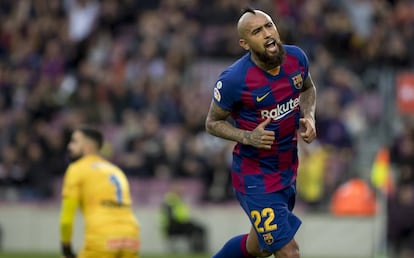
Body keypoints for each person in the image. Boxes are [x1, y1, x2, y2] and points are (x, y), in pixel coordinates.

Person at [205, 8, 317, 258]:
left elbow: (308, 89)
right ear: (245, 43)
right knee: (289, 252)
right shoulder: (234, 80)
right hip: (255, 176)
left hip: (287, 171)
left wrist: (308, 115)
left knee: (258, 248)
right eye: (257, 31)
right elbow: (212, 122)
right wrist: (247, 136)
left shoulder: (297, 58)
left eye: (269, 26)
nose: (267, 34)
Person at [59, 125, 140, 258]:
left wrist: (66, 247)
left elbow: (67, 219)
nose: (69, 146)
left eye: (74, 142)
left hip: (102, 236)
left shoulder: (76, 169)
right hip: (131, 236)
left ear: (89, 146)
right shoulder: (116, 170)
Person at [159, 181, 207, 253]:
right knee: (198, 229)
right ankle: (197, 250)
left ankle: (197, 249)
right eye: (179, 188)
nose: (182, 190)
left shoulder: (177, 199)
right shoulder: (170, 199)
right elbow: (170, 216)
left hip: (180, 224)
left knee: (199, 228)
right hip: (173, 226)